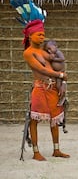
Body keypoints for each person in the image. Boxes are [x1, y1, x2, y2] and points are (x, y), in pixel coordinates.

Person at [22, 20, 70, 161]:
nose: (42, 37)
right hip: (40, 88)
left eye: (43, 34)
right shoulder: (28, 53)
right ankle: (36, 152)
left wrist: (63, 82)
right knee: (34, 119)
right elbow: (41, 69)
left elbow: (58, 65)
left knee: (55, 119)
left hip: (53, 88)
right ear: (30, 36)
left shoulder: (44, 51)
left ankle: (56, 150)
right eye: (39, 34)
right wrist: (60, 75)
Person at [44, 40, 66, 107]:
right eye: (48, 49)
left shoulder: (58, 52)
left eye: (50, 48)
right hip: (56, 73)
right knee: (56, 86)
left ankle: (63, 97)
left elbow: (62, 59)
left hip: (60, 72)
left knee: (59, 86)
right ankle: (58, 97)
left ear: (56, 46)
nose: (49, 51)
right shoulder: (51, 54)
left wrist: (54, 59)